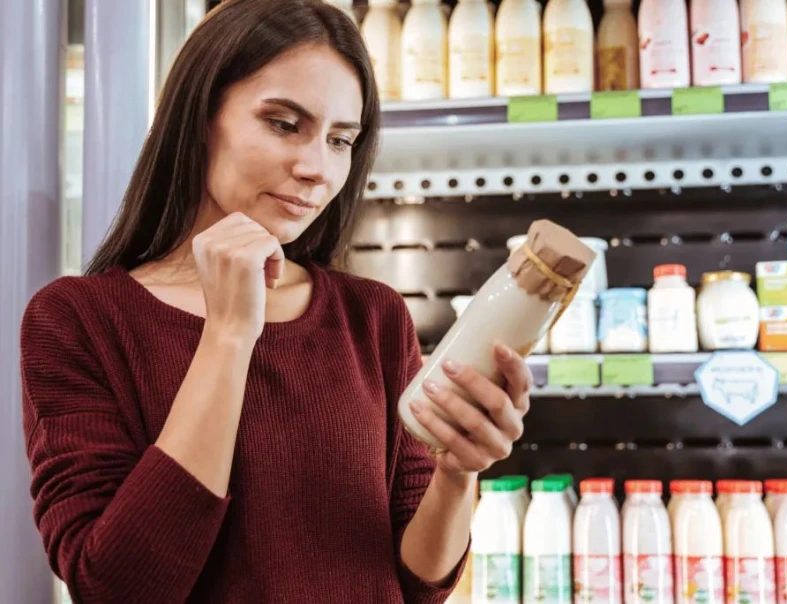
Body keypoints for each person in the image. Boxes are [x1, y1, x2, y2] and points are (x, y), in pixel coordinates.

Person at [19, 0, 532, 602]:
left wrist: (458, 470)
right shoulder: (78, 320)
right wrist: (230, 334)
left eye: (341, 140)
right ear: (199, 116)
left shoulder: (372, 317)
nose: (316, 168)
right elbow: (119, 586)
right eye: (284, 123)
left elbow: (419, 584)